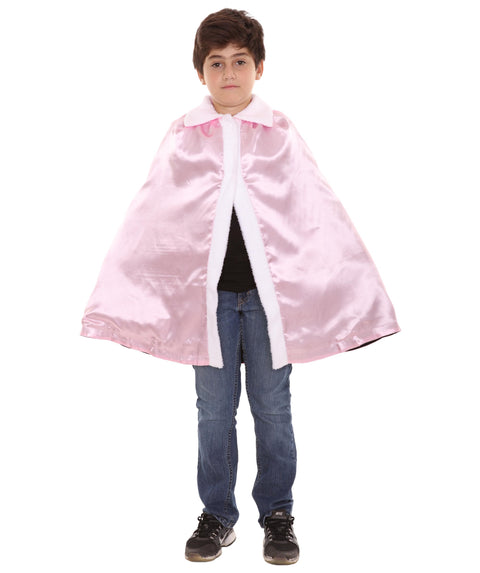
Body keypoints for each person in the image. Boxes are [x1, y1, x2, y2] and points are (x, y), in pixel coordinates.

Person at [81, 8, 399, 566]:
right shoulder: (183, 134)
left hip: (271, 302)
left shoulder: (280, 132)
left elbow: (316, 212)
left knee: (273, 408)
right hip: (209, 304)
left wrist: (350, 289)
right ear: (200, 72)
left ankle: (277, 514)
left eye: (240, 62)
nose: (229, 73)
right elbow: (153, 214)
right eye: (216, 63)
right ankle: (217, 516)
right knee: (213, 410)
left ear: (260, 68)